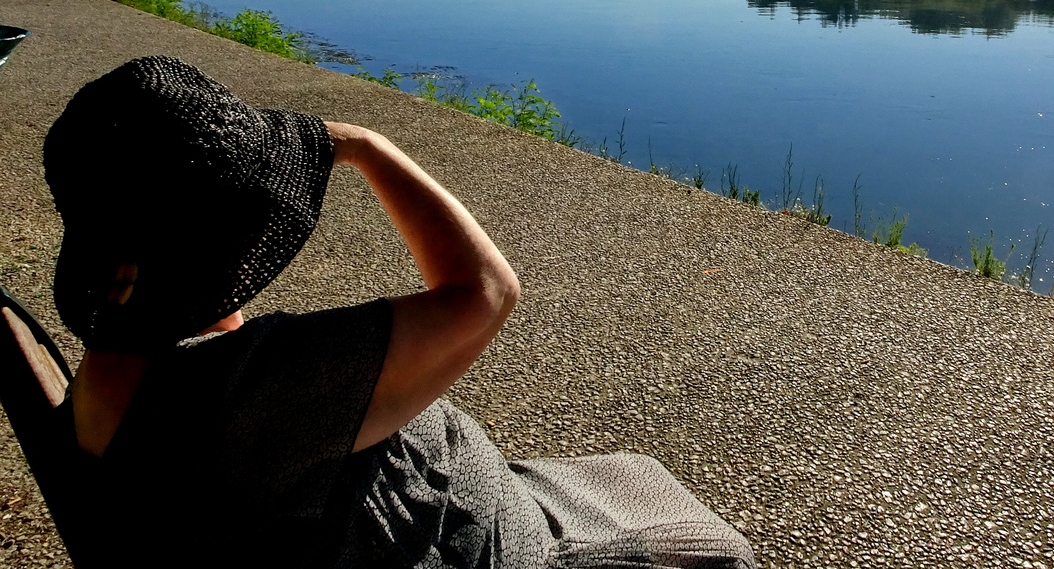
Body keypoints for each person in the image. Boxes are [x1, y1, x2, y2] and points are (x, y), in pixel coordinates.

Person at [44, 55, 755, 569]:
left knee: (634, 474)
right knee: (719, 549)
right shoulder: (249, 397)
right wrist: (367, 147)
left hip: (458, 506)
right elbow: (486, 291)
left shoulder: (122, 371)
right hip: (504, 549)